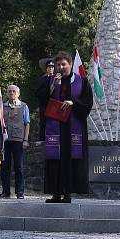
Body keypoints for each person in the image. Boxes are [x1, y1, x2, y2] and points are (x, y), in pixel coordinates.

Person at [37, 51, 93, 203]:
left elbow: (88, 102)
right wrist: (52, 87)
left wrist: (73, 102)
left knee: (70, 159)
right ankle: (55, 193)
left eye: (64, 64)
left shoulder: (81, 81)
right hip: (55, 127)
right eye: (58, 65)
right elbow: (42, 100)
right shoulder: (50, 81)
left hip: (73, 126)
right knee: (55, 160)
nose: (61, 67)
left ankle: (68, 193)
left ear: (70, 64)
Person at [0, 85, 30, 199]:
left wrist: (25, 140)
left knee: (19, 167)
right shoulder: (1, 106)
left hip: (18, 140)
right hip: (5, 140)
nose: (12, 93)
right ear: (6, 93)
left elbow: (27, 123)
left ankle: (20, 192)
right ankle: (6, 192)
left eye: (14, 91)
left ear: (18, 93)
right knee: (5, 167)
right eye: (9, 91)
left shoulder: (24, 106)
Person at [36, 59, 55, 142]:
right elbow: (37, 92)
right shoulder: (42, 79)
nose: (50, 69)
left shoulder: (57, 78)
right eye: (49, 67)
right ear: (46, 68)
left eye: (52, 67)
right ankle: (43, 141)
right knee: (44, 124)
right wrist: (48, 89)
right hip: (45, 106)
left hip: (55, 107)